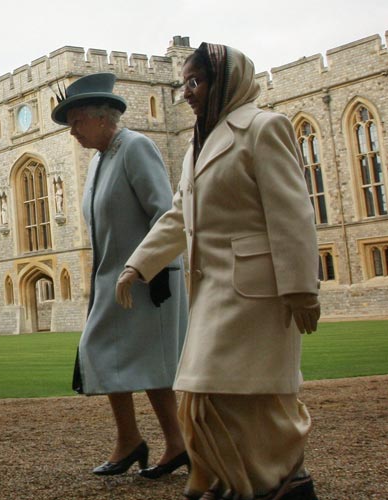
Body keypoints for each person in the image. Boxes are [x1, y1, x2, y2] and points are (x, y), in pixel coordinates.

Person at [116, 43, 320, 500]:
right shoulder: (196, 146)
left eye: (196, 82)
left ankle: (279, 480)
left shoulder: (265, 128)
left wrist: (303, 289)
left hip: (259, 291)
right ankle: (232, 481)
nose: (186, 93)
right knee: (201, 392)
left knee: (249, 394)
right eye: (183, 84)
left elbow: (291, 215)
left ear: (226, 81)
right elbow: (177, 215)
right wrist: (139, 263)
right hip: (211, 289)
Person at [51, 72, 189, 478]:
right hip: (111, 280)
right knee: (116, 356)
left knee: (142, 362)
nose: (72, 131)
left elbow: (164, 213)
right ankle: (143, 440)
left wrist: (154, 268)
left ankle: (160, 443)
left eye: (76, 121)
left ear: (101, 118)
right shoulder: (97, 161)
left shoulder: (136, 147)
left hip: (147, 280)